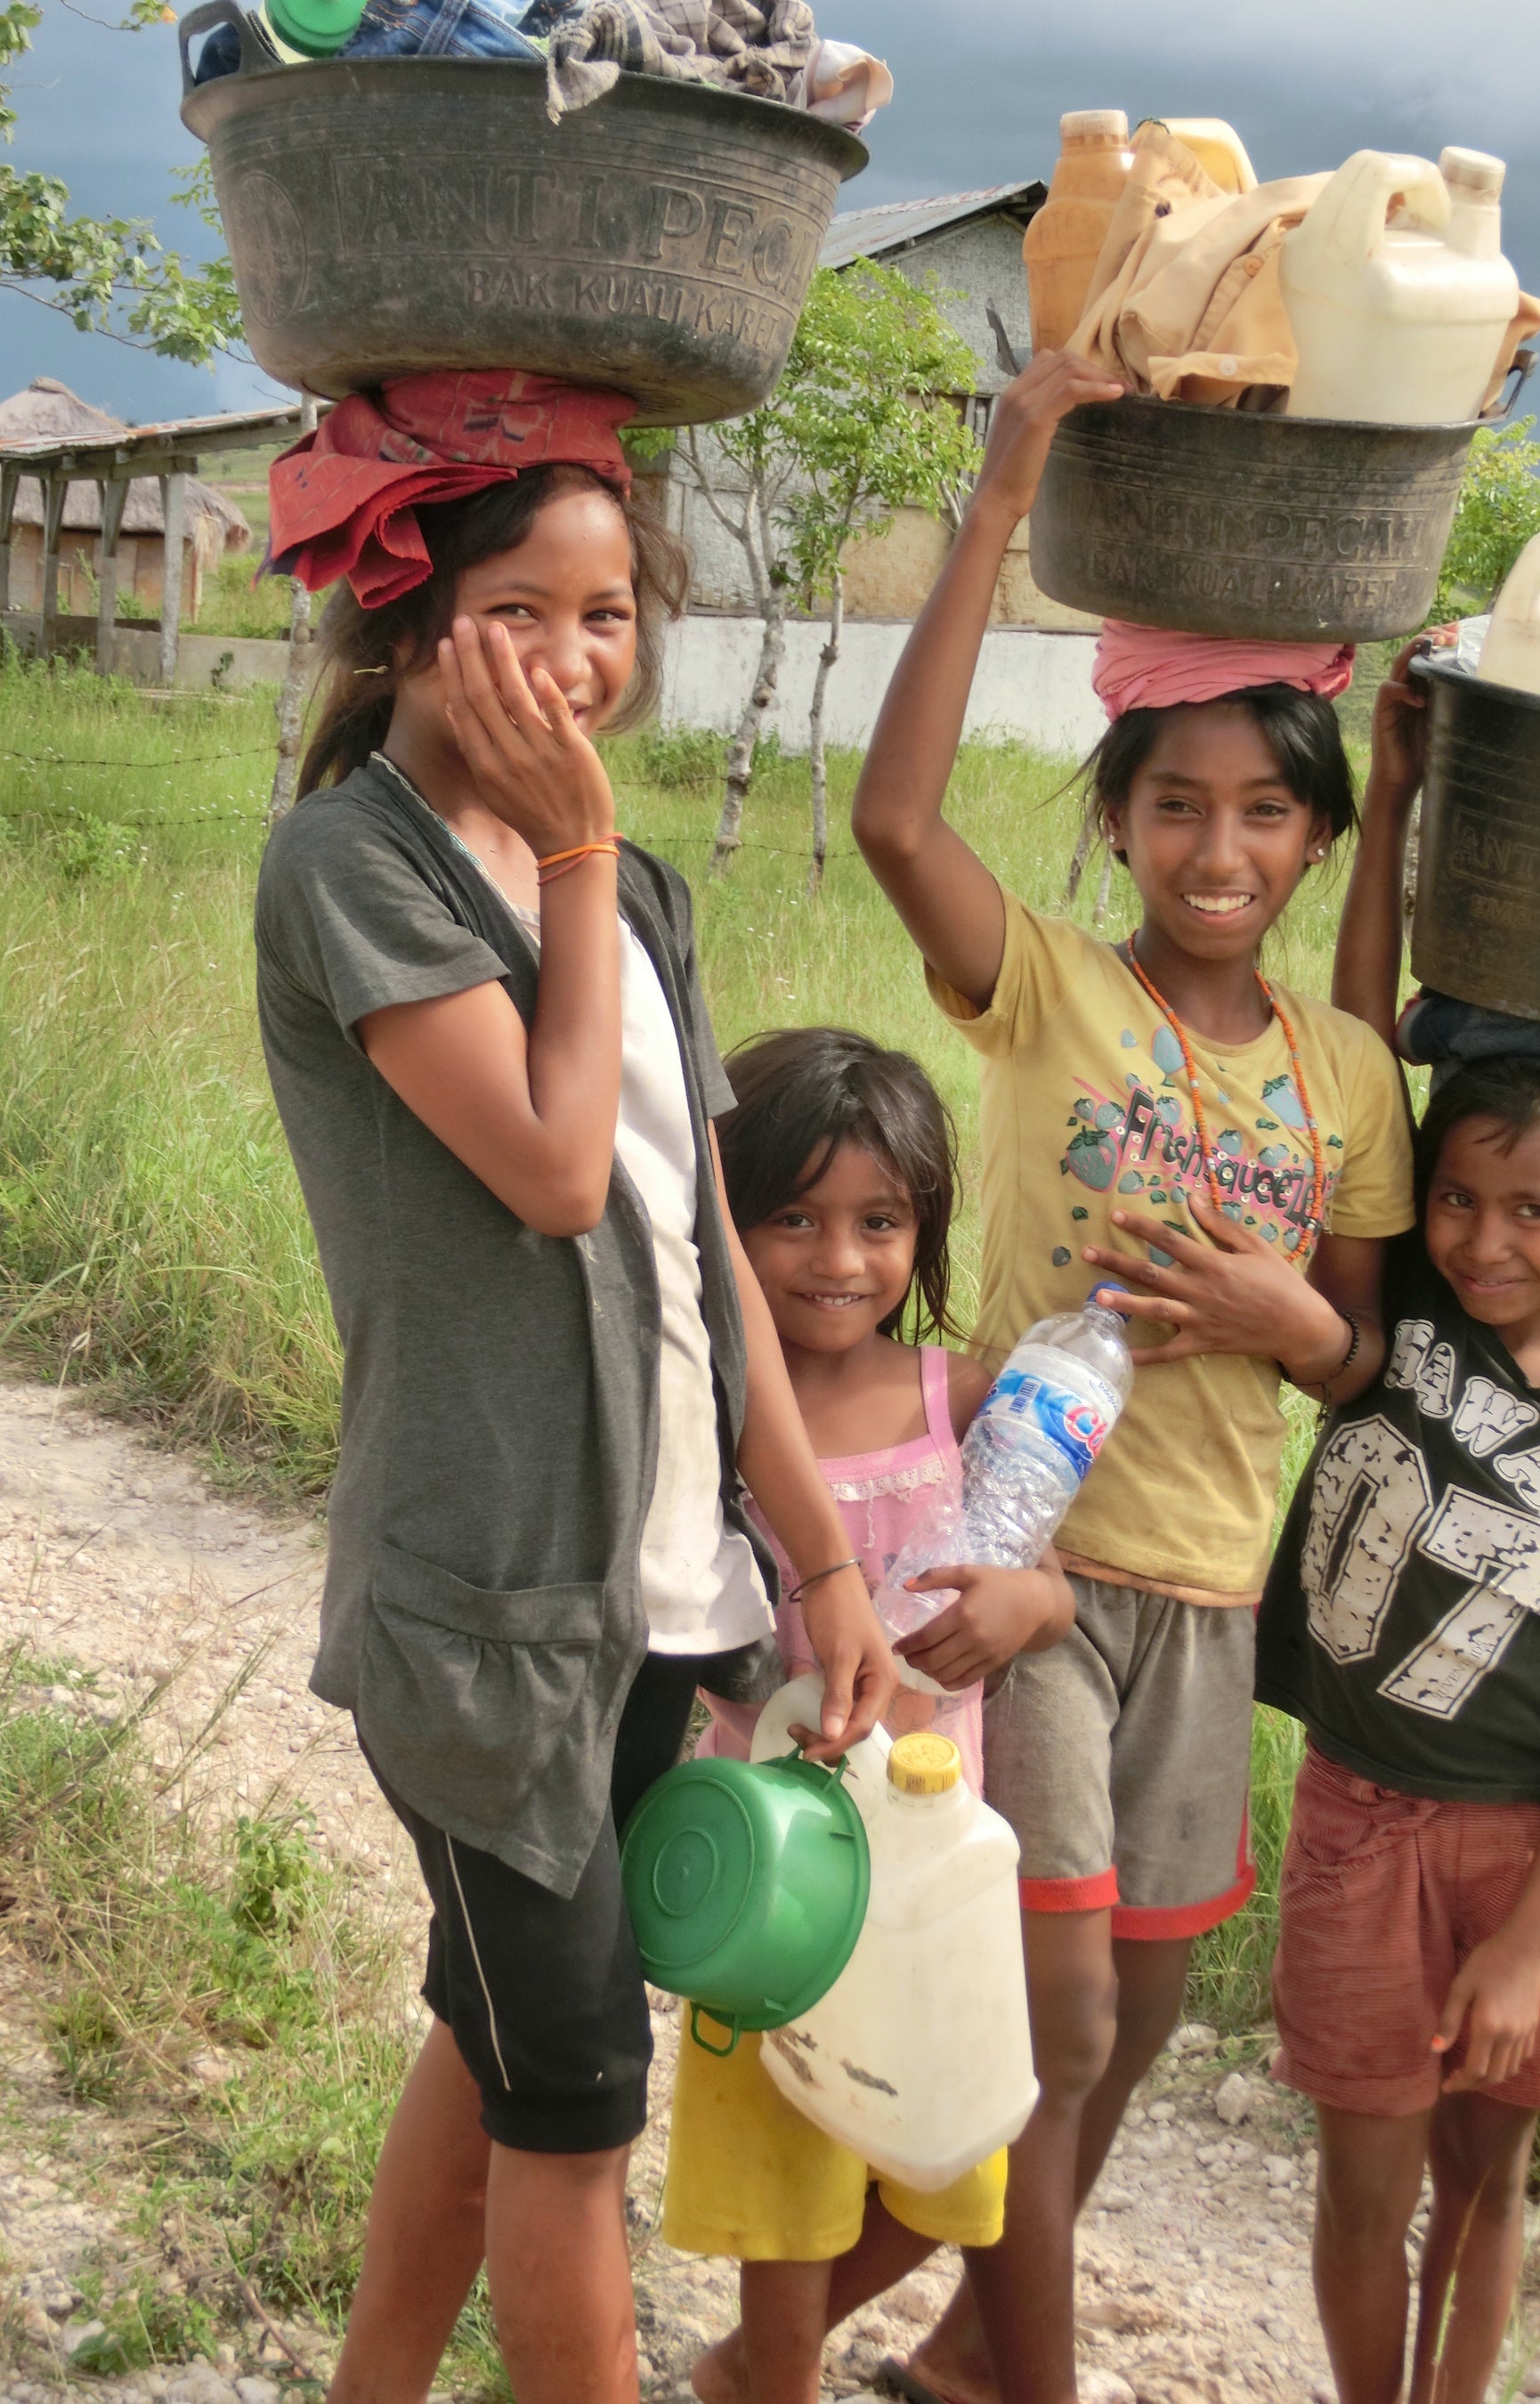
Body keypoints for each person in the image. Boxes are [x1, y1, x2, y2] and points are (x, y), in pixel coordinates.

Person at [253, 373, 895, 2404]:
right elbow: (542, 1171)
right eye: (520, 610)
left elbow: (700, 1252)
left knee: (511, 2032)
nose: (572, 659)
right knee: (578, 2108)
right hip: (482, 1617)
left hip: (653, 1598)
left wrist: (821, 1562)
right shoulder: (354, 870)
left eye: (607, 615)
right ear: (408, 618)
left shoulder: (635, 893)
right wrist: (577, 853)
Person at [847, 350, 1417, 2404]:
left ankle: (899, 2359)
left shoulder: (1346, 1077)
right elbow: (891, 816)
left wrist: (1291, 1327)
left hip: (1206, 1589)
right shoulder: (1050, 993)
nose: (1217, 842)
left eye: (1265, 809)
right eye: (1173, 802)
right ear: (1114, 822)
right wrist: (1002, 491)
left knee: (1139, 2026)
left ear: (1311, 840)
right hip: (1028, 1571)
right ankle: (1029, 2383)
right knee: (1056, 2022)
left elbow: (1357, 1355)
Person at [1254, 645, 1540, 2404]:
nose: (1480, 1236)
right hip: (1362, 1827)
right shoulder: (1395, 1323)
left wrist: (1524, 1944)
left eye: (1530, 1208)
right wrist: (1397, 806)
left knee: (1485, 2181)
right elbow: (1362, 1044)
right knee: (1362, 2184)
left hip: (1533, 1860)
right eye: (1454, 1196)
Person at [664, 1026, 1074, 2404]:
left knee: (950, 2159)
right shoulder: (713, 1412)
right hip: (774, 1876)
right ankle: (769, 2374)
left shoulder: (957, 1395)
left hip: (931, 1876)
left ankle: (735, 2374)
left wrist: (1028, 1610)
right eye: (793, 1219)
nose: (839, 1259)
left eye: (879, 1222)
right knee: (784, 2188)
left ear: (924, 1229)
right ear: (729, 1226)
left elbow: (1046, 1577)